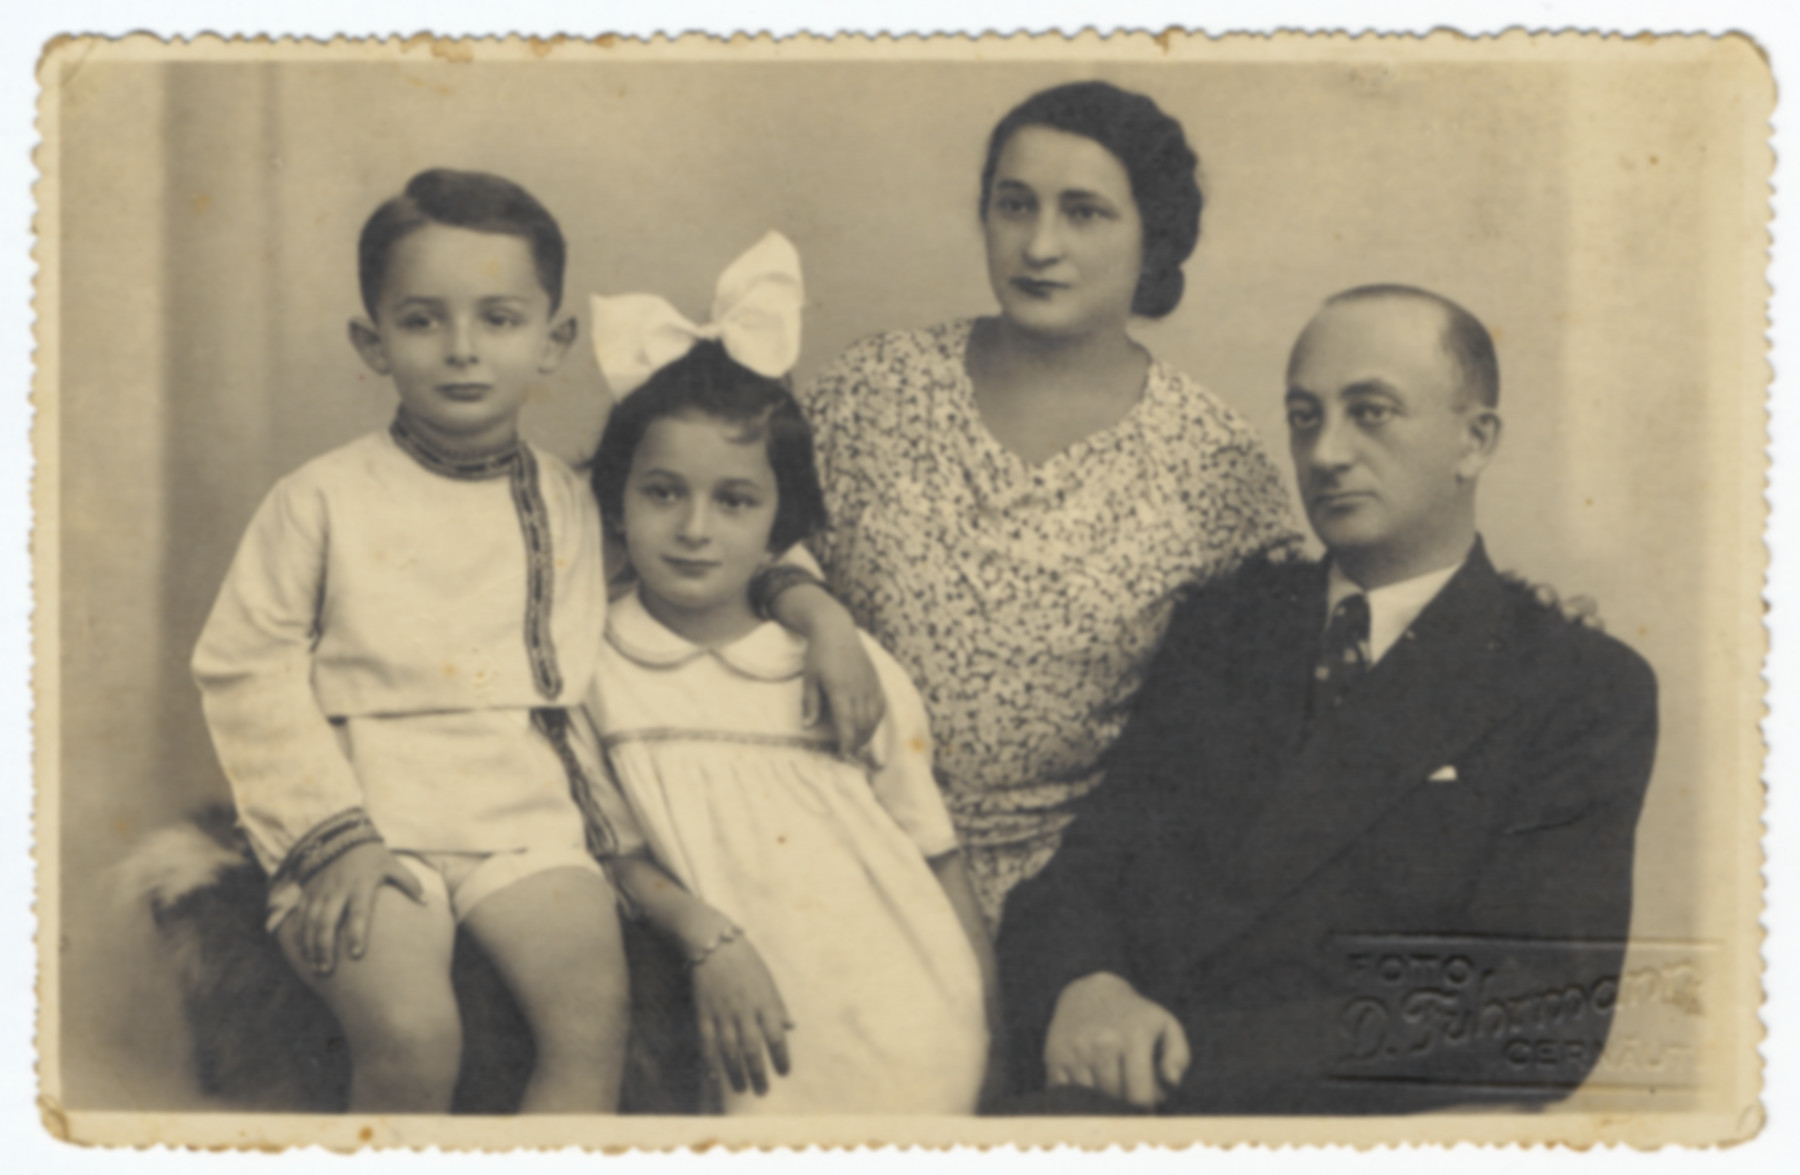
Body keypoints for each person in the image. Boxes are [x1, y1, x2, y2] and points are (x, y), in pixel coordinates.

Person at [190, 173, 877, 1115]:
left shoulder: (575, 497)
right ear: (372, 342)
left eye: (500, 320)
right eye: (424, 320)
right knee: (413, 1034)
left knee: (591, 1027)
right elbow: (245, 666)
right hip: (372, 809)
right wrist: (331, 839)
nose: (464, 350)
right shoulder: (320, 497)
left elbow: (711, 553)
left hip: (529, 816)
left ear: (553, 341)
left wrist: (821, 613)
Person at [997, 284, 1660, 1115]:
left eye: (1371, 412)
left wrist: (1185, 1050)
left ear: (1475, 440)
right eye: (1305, 416)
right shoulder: (1226, 628)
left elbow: (1541, 1009)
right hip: (1116, 1101)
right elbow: (1089, 868)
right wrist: (1082, 983)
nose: (1326, 452)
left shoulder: (1577, 685)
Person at [796, 81, 1299, 928]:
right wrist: (812, 611)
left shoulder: (1214, 461)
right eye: (1015, 205)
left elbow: (1254, 714)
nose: (1039, 245)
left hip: (1069, 912)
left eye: (1085, 213)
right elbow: (750, 560)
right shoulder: (873, 387)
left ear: (1156, 236)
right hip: (837, 854)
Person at [578, 232, 998, 1114]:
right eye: (663, 492)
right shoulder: (595, 666)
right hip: (752, 1016)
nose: (695, 527)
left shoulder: (840, 660)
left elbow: (938, 855)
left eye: (734, 499)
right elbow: (613, 852)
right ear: (617, 498)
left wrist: (992, 1030)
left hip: (908, 1006)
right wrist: (707, 936)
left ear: (781, 521)